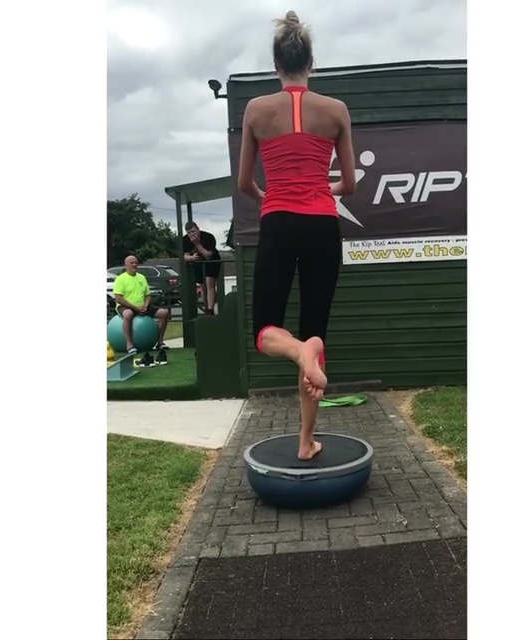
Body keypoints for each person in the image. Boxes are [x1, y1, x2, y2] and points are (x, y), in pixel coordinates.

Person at [237, 11, 356, 460]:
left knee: (267, 331)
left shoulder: (256, 110)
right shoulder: (336, 110)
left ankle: (300, 354)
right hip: (323, 224)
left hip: (279, 222)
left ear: (276, 64)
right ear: (311, 63)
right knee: (313, 334)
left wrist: (270, 196)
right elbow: (350, 184)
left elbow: (245, 183)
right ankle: (307, 441)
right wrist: (323, 189)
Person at [112, 255, 169, 359]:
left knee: (164, 313)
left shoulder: (141, 277)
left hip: (142, 306)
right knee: (128, 314)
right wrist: (135, 308)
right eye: (131, 263)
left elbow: (148, 295)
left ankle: (160, 342)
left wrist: (146, 306)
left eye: (136, 263)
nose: (134, 265)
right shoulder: (120, 279)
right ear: (126, 265)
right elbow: (118, 298)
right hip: (126, 306)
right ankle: (129, 345)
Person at [182, 221, 221, 315]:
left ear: (198, 229)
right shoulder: (185, 240)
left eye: (193, 231)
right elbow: (185, 256)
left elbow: (208, 256)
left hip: (211, 262)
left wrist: (197, 244)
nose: (192, 234)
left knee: (209, 283)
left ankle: (210, 309)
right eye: (189, 233)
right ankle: (206, 306)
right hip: (198, 263)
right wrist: (191, 258)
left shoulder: (208, 237)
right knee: (203, 285)